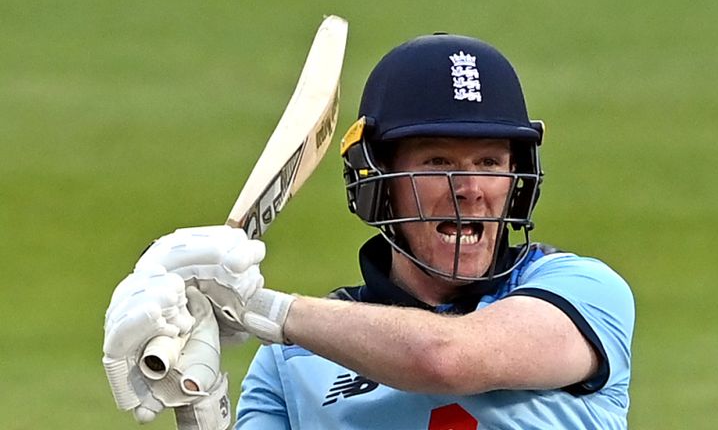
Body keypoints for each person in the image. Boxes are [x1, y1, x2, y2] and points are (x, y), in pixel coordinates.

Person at [103, 33, 635, 430]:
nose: (471, 188)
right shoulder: (292, 362)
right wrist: (198, 403)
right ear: (377, 183)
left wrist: (258, 308)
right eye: (437, 162)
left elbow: (445, 359)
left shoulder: (582, 293)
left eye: (492, 162)